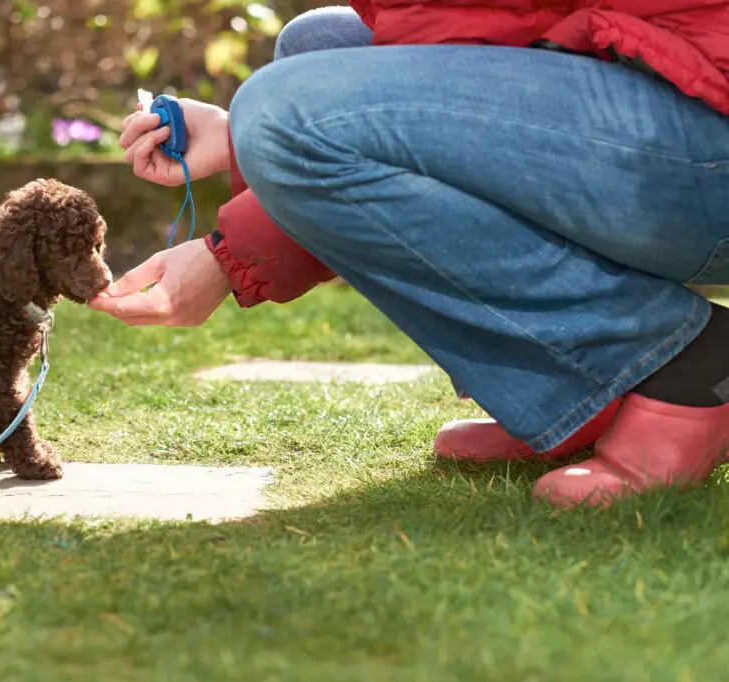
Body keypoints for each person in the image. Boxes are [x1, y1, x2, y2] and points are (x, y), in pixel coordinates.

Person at [89, 1, 729, 508]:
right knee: (316, 47)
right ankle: (591, 393)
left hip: (707, 134)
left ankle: (684, 367)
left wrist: (229, 240)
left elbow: (470, 41)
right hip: (669, 90)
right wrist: (240, 150)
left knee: (286, 112)